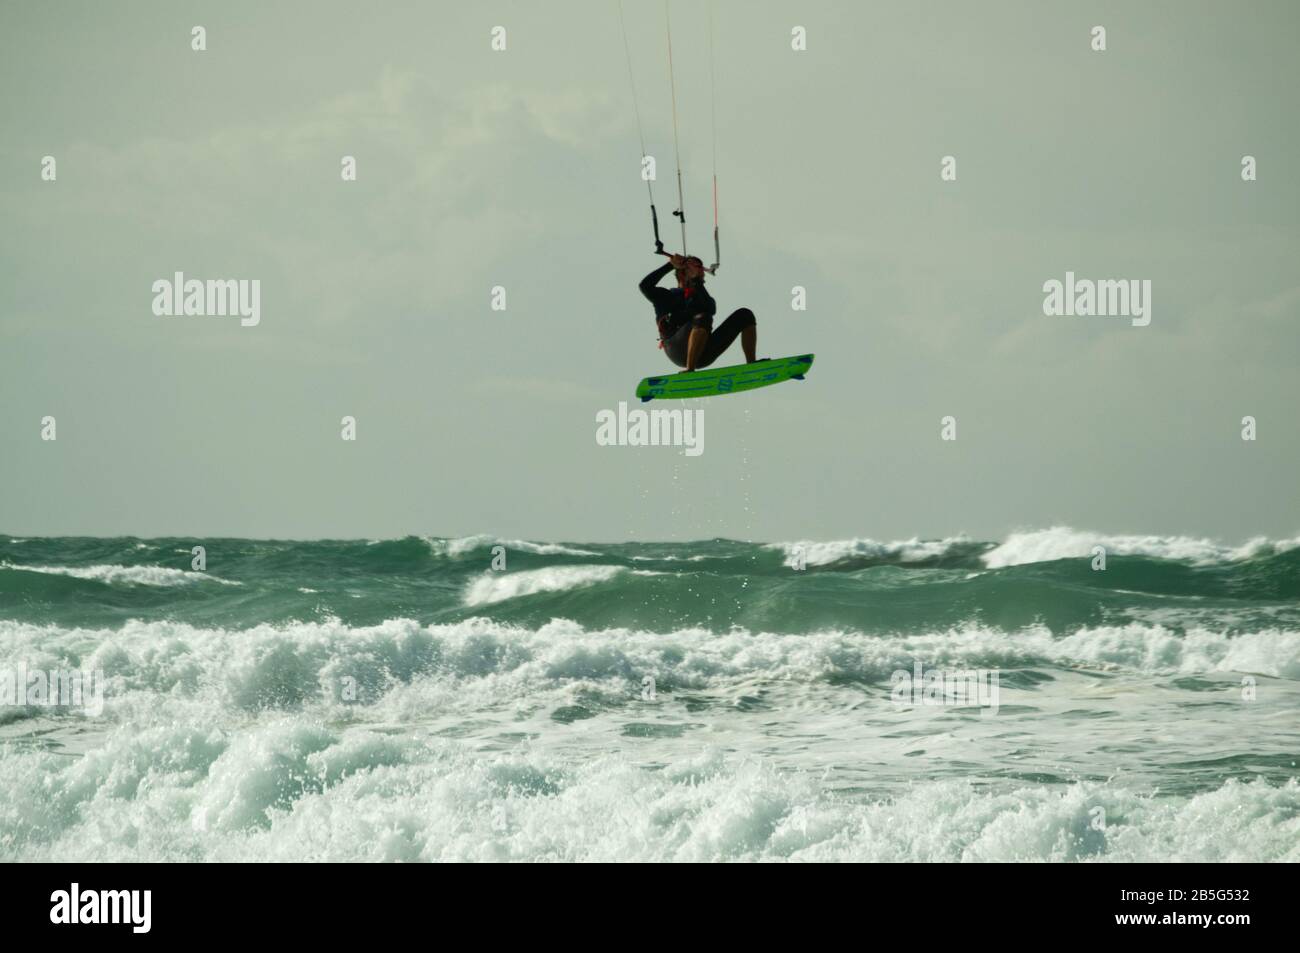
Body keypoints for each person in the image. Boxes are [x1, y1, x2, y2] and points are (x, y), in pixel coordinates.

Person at [639, 254, 757, 371]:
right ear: (681, 273)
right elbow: (645, 286)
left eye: (700, 270)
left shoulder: (701, 298)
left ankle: (752, 364)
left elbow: (710, 309)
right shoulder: (665, 297)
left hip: (703, 353)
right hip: (677, 349)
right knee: (702, 318)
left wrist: (696, 281)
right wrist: (670, 265)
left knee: (745, 315)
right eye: (694, 268)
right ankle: (689, 370)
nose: (700, 272)